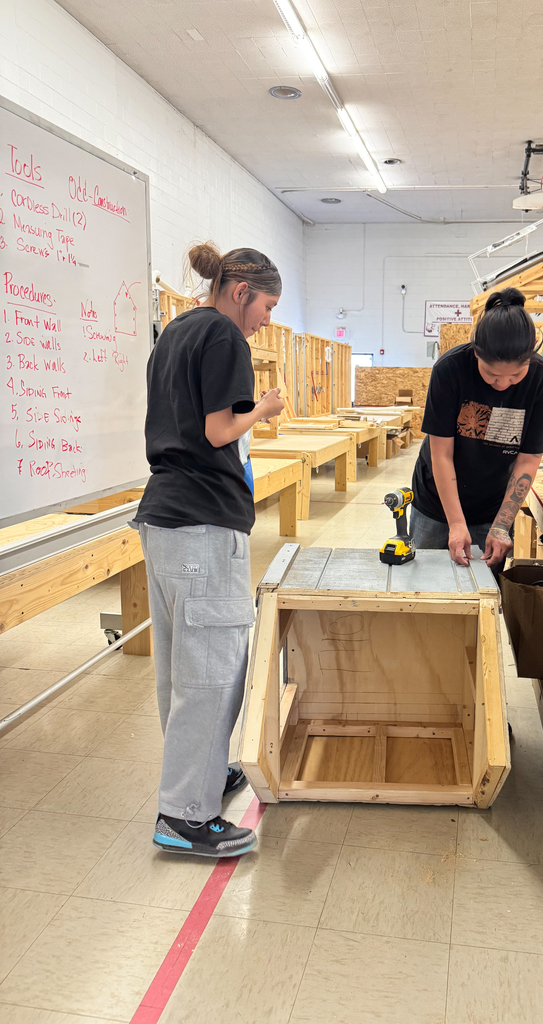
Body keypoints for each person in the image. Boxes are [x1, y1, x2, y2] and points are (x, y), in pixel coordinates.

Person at [133, 243, 285, 858]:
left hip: (165, 516)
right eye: (267, 305)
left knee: (181, 667)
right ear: (241, 292)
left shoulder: (175, 332)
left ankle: (199, 778)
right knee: (213, 668)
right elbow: (219, 430)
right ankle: (184, 816)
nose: (266, 320)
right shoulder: (225, 337)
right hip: (200, 523)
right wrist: (265, 408)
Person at [410, 287, 543, 567]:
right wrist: (455, 523)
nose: (502, 384)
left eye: (516, 374)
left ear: (531, 356)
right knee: (422, 583)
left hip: (492, 505)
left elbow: (528, 458)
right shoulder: (450, 369)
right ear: (477, 353)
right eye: (491, 374)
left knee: (483, 594)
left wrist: (502, 524)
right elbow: (441, 453)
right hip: (435, 502)